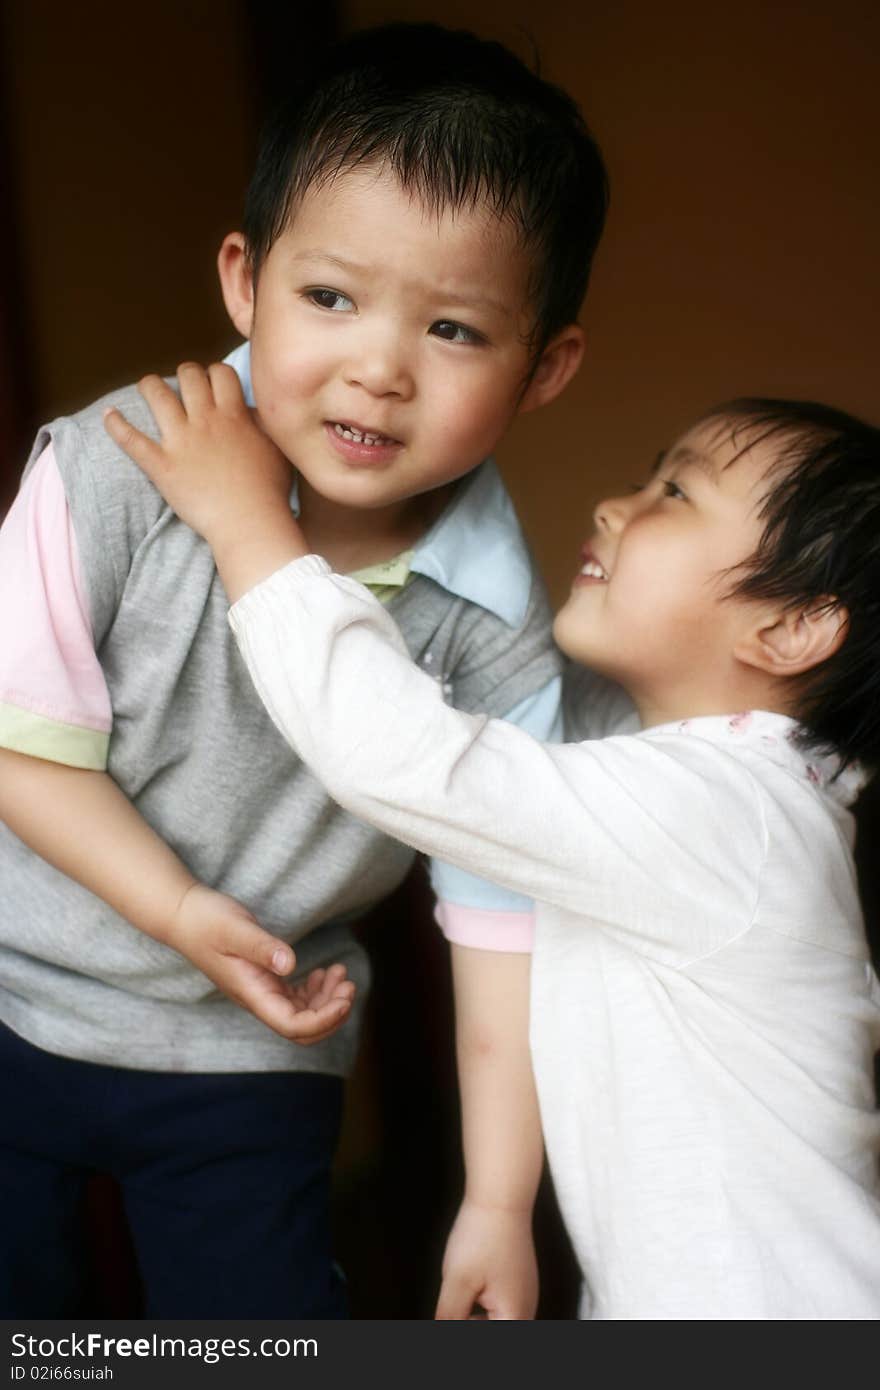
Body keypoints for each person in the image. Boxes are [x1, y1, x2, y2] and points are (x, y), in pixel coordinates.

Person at [0, 24, 607, 1317]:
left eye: (451, 327)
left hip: (252, 1052)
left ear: (546, 366)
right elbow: (15, 743)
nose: (377, 369)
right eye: (329, 297)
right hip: (11, 989)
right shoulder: (107, 468)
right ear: (245, 279)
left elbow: (504, 921)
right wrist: (170, 907)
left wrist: (498, 1198)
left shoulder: (492, 632)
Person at [108, 374, 880, 1319]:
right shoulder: (730, 792)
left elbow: (409, 759)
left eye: (676, 492)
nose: (614, 502)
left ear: (792, 627)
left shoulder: (728, 817)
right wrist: (499, 1207)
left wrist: (247, 525)